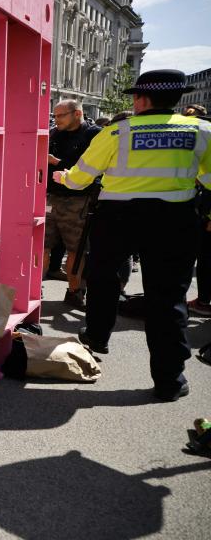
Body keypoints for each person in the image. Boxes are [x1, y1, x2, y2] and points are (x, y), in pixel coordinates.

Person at [53, 69, 211, 402]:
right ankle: (170, 379)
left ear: (141, 99)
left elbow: (81, 178)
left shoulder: (117, 133)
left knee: (103, 276)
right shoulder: (201, 131)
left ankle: (97, 335)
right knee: (168, 298)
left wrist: (64, 177)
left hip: (118, 216)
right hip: (174, 217)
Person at [45, 100, 101, 310]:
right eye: (55, 115)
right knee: (41, 245)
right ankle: (32, 290)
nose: (56, 120)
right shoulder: (54, 133)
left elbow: (94, 168)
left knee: (75, 250)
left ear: (77, 113)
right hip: (50, 198)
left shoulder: (93, 134)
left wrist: (57, 163)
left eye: (61, 116)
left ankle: (75, 292)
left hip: (78, 201)